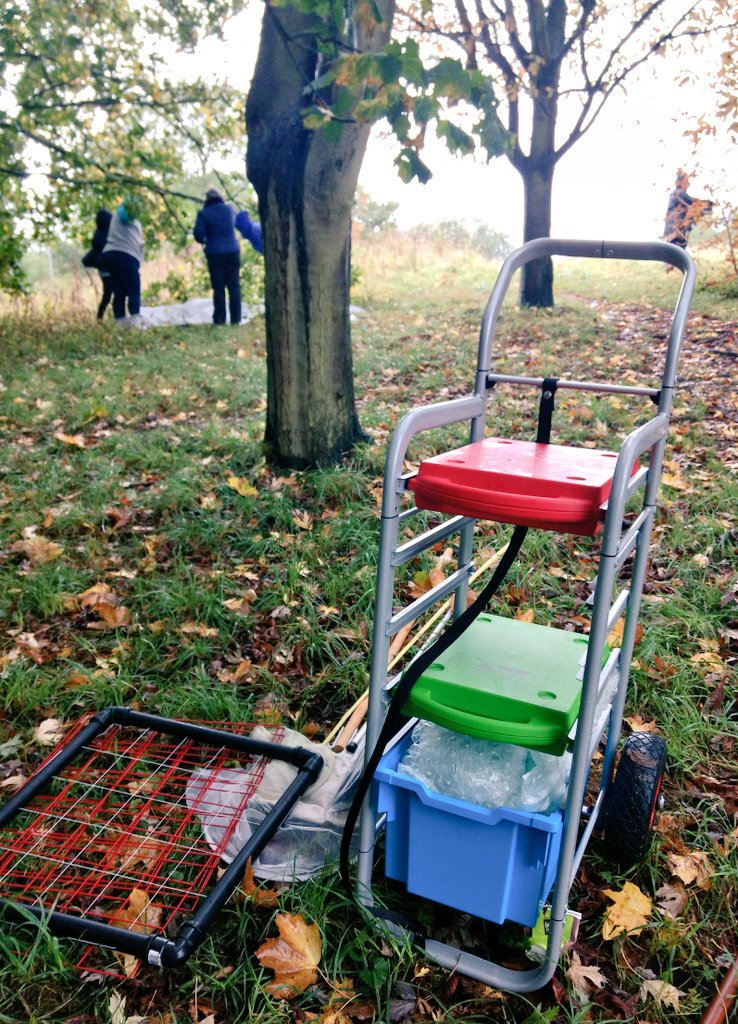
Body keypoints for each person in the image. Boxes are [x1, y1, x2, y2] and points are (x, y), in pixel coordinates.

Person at [194, 187, 242, 325]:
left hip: (215, 253)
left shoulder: (204, 213)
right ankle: (236, 319)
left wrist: (205, 241)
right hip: (233, 250)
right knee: (234, 286)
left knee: (219, 287)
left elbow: (198, 234)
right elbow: (236, 222)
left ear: (207, 199)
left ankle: (220, 319)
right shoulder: (229, 209)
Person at [100, 198, 145, 325]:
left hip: (110, 255)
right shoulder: (134, 222)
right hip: (127, 255)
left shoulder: (115, 217)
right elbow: (139, 244)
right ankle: (135, 319)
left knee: (118, 290)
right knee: (134, 289)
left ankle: (120, 321)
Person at [663, 171, 713, 249]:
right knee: (675, 254)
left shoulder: (677, 195)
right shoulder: (678, 193)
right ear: (679, 182)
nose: (688, 184)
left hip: (677, 234)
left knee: (674, 255)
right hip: (675, 234)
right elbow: (693, 202)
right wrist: (708, 204)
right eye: (686, 182)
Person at [81, 209, 114, 320]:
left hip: (104, 270)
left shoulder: (98, 235)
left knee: (108, 295)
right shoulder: (106, 236)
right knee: (111, 294)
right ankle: (106, 316)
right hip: (109, 270)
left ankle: (101, 316)